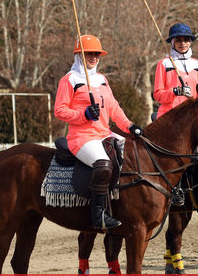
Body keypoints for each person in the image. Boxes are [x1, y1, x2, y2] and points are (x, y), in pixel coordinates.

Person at [54, 35, 142, 230]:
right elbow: (59, 110)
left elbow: (113, 108)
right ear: (79, 55)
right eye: (89, 54)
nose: (93, 57)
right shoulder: (69, 79)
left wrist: (130, 126)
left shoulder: (102, 79)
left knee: (135, 155)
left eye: (96, 54)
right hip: (82, 138)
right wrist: (83, 114)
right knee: (103, 165)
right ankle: (98, 214)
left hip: (104, 133)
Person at [153, 23, 198, 118]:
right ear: (172, 42)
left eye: (186, 40)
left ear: (190, 42)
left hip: (193, 116)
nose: (182, 43)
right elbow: (158, 95)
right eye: (178, 40)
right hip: (170, 116)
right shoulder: (164, 63)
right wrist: (176, 91)